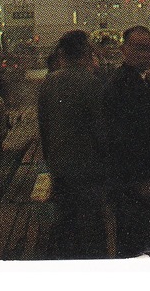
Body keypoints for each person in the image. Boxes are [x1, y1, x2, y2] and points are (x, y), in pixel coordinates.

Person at [36, 30, 110, 259]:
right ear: (85, 53)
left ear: (62, 54)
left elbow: (44, 129)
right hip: (89, 175)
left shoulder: (48, 83)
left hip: (61, 173)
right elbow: (101, 131)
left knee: (66, 232)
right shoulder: (92, 83)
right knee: (93, 236)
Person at [100, 25, 150, 257]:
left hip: (140, 186)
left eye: (149, 48)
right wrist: (142, 179)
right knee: (136, 251)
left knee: (139, 249)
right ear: (123, 50)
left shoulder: (136, 81)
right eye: (138, 48)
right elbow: (123, 140)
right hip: (136, 187)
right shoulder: (122, 86)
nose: (145, 54)